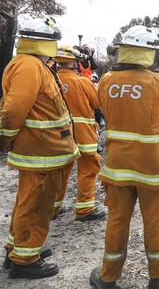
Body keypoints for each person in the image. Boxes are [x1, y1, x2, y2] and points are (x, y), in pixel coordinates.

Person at [90, 26, 159, 289]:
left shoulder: (106, 80)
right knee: (154, 219)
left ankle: (108, 275)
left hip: (118, 165)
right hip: (152, 167)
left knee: (117, 219)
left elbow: (102, 106)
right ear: (149, 53)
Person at [0, 16, 79, 279]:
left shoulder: (32, 65)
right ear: (45, 42)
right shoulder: (29, 66)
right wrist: (3, 140)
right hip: (41, 153)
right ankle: (25, 260)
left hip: (44, 151)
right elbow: (15, 109)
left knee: (27, 201)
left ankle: (17, 248)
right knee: (37, 204)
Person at [52, 46, 105, 222]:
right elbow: (98, 103)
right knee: (88, 169)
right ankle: (85, 208)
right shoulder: (82, 82)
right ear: (75, 62)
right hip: (83, 134)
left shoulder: (51, 80)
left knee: (59, 170)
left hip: (59, 134)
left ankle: (53, 208)